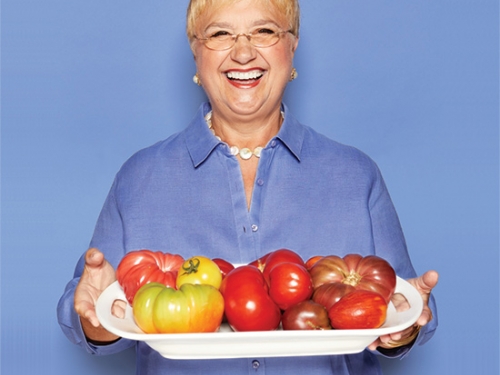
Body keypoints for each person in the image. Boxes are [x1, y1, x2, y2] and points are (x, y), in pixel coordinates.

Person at [57, 0, 439, 374]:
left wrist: (402, 329)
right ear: (195, 52)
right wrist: (96, 317)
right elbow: (88, 311)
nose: (243, 52)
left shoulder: (356, 175)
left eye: (264, 31)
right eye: (221, 33)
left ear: (292, 47)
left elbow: (403, 304)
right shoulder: (138, 178)